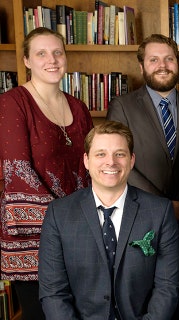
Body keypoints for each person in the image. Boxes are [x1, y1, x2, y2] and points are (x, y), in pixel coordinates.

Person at [38, 121, 179, 320]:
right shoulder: (58, 214)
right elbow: (53, 293)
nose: (111, 162)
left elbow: (167, 287)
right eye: (101, 154)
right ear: (86, 161)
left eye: (119, 154)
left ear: (131, 160)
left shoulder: (160, 211)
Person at [0, 27, 93, 320]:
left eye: (57, 52)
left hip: (80, 234)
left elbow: (91, 167)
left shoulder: (79, 107)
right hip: (32, 237)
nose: (51, 60)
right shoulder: (12, 103)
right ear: (27, 60)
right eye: (41, 53)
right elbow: (18, 174)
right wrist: (71, 223)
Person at [107, 34, 179, 223]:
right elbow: (118, 161)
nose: (163, 66)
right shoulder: (122, 107)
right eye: (154, 60)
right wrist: (163, 205)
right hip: (141, 212)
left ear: (178, 63)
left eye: (169, 59)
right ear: (141, 66)